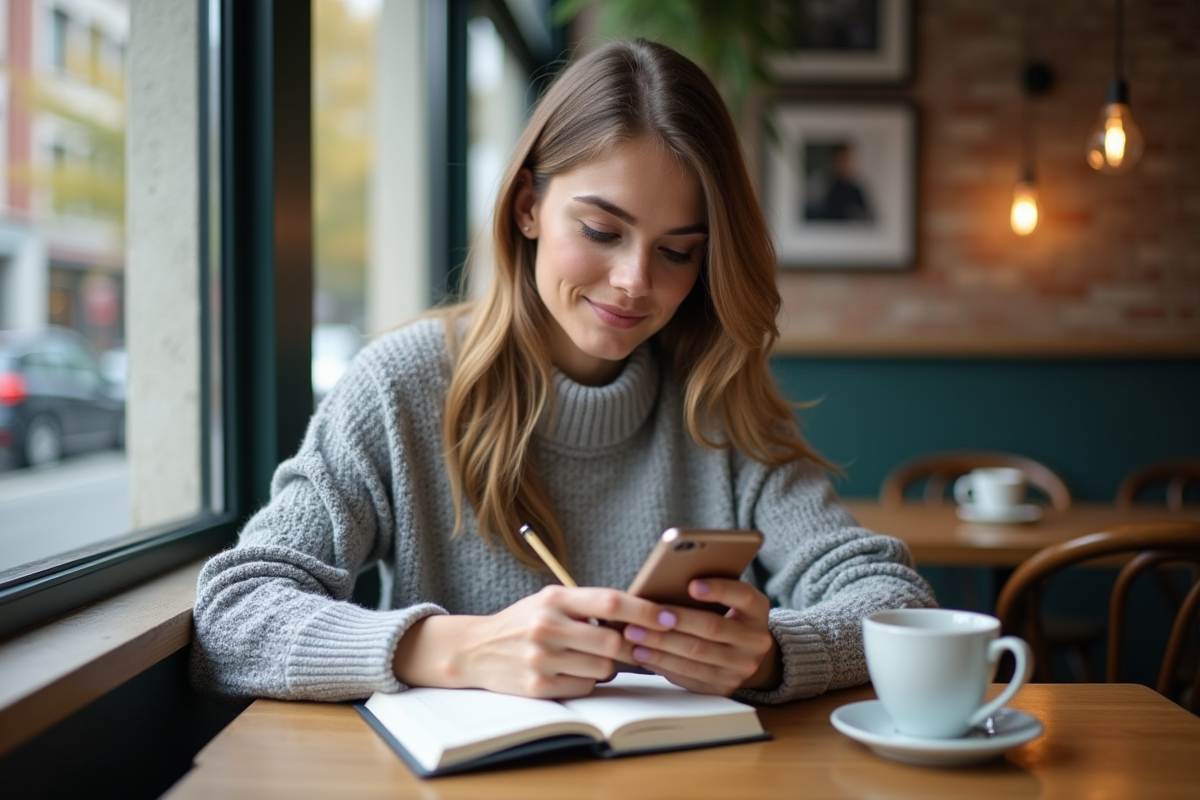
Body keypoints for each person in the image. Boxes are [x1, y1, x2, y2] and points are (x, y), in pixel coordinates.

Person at [191, 38, 934, 705]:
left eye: (677, 251)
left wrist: (772, 654)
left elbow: (895, 600)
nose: (635, 281)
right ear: (527, 208)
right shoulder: (402, 385)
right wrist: (455, 649)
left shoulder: (718, 401)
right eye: (602, 231)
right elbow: (235, 616)